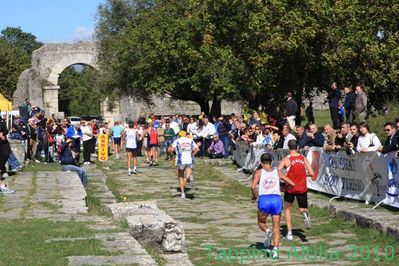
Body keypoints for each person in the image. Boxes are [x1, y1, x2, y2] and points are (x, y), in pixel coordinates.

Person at [251, 153, 295, 258]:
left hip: (264, 199)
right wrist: (284, 189)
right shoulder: (278, 172)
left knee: (261, 222)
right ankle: (275, 250)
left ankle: (267, 231)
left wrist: (254, 197)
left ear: (261, 163)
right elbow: (292, 184)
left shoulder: (258, 172)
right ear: (271, 161)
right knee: (277, 226)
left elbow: (253, 187)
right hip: (276, 199)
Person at [278, 140, 316, 240]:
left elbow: (278, 172)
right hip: (302, 188)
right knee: (302, 208)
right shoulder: (303, 158)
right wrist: (303, 174)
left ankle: (289, 234)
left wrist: (285, 178)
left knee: (287, 210)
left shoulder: (286, 160)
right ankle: (304, 214)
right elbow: (312, 173)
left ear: (288, 148)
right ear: (298, 147)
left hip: (290, 188)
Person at [169, 131, 199, 199]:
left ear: (179, 135)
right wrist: (192, 155)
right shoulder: (190, 140)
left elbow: (171, 149)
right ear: (185, 135)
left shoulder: (177, 140)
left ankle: (183, 193)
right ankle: (186, 183)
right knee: (187, 176)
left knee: (181, 176)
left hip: (181, 160)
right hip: (189, 160)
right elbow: (197, 149)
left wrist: (171, 155)